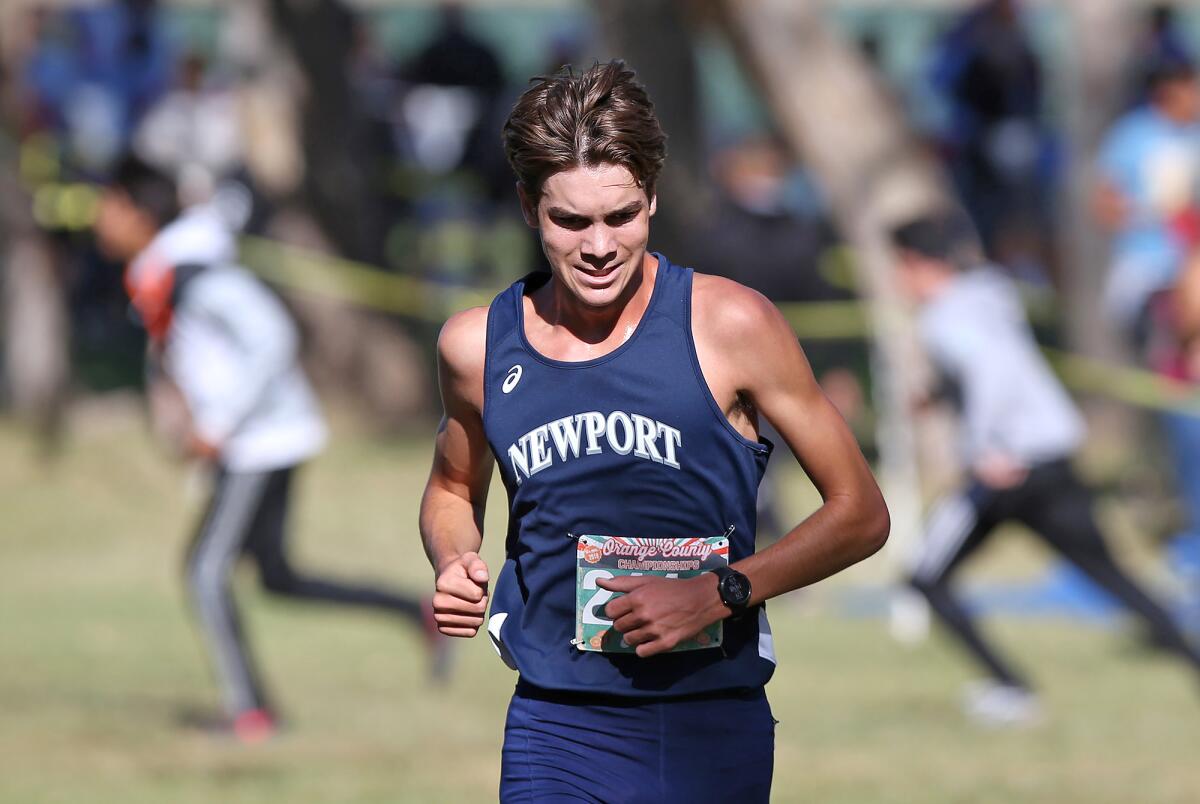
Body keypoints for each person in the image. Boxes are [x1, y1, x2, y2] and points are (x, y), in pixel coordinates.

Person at [419, 61, 890, 802]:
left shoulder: (730, 324)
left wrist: (721, 591)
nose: (600, 246)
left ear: (653, 201)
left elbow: (861, 513)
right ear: (527, 207)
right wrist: (453, 558)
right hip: (554, 724)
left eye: (622, 216)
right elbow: (452, 485)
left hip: (706, 725)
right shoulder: (477, 346)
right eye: (570, 220)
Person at [93, 156, 446, 743]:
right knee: (278, 576)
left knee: (206, 572)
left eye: (110, 205)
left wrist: (220, 422)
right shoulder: (170, 269)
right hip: (263, 437)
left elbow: (271, 335)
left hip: (258, 442)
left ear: (140, 212)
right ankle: (414, 612)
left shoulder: (192, 271)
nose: (100, 219)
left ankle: (251, 711)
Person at [892, 211, 1200, 727]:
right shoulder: (990, 293)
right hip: (1054, 455)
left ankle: (1011, 690)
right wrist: (940, 396)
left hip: (1007, 470)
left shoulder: (944, 316)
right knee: (1114, 577)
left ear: (920, 263)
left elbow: (990, 373)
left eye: (901, 266)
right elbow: (998, 363)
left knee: (925, 576)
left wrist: (984, 450)